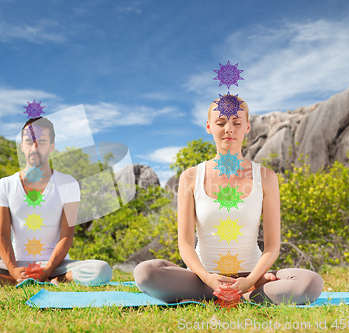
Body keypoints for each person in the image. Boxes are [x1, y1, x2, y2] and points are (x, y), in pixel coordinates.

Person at [134, 95, 323, 305]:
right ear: (209, 127)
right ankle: (229, 293)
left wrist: (249, 280)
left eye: (237, 122)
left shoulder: (267, 177)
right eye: (221, 122)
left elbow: (272, 245)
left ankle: (246, 292)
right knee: (145, 273)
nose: (229, 129)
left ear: (247, 126)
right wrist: (208, 278)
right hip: (203, 278)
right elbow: (185, 243)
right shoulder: (190, 177)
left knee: (310, 283)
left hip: (250, 275)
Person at [0, 117, 112, 286]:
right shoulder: (5, 184)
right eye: (29, 142)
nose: (34, 148)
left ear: (52, 146)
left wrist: (47, 269)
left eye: (41, 142)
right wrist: (12, 269)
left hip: (56, 265)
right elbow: (2, 235)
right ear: (22, 146)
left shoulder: (68, 183)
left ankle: (54, 279)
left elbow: (66, 236)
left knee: (101, 270)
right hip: (17, 265)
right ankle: (14, 281)